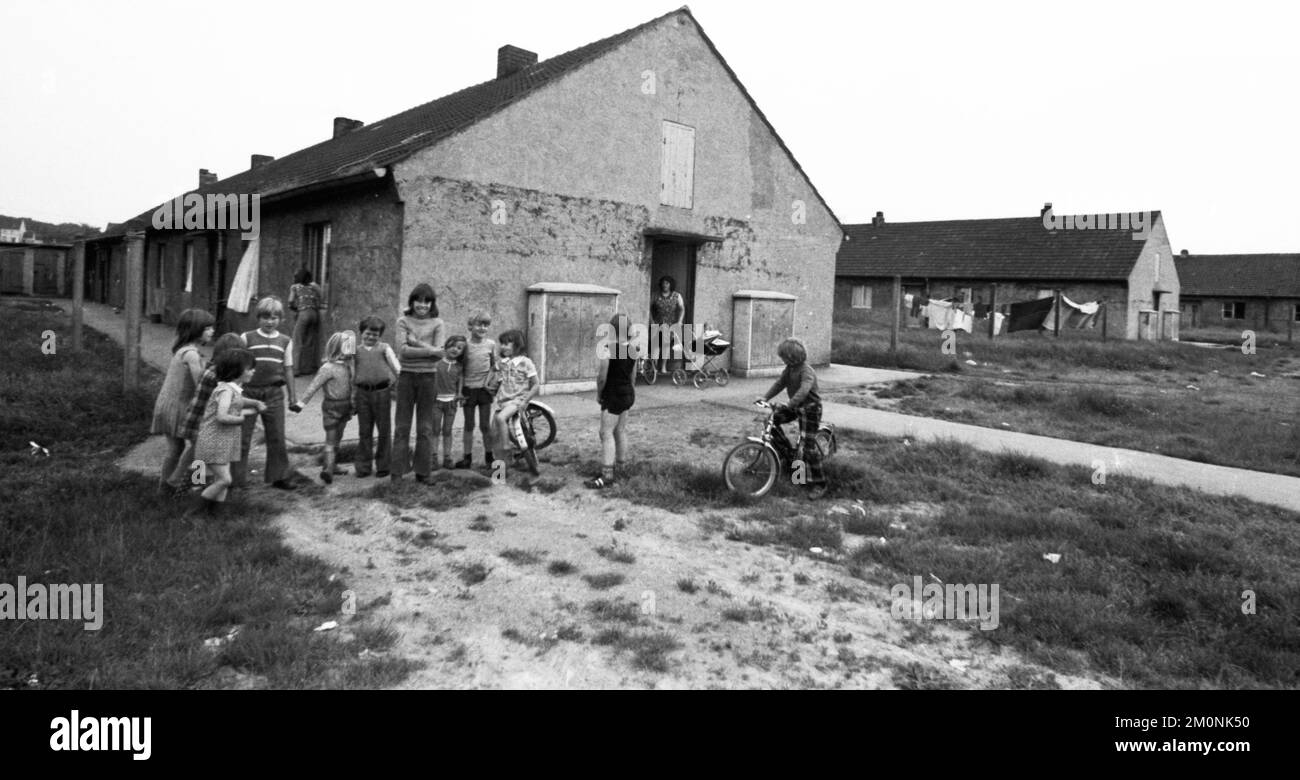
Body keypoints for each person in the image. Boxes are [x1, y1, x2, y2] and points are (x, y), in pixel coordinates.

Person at [175, 333, 265, 493]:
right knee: (199, 459)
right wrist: (246, 410)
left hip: (200, 419)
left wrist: (252, 403)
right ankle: (191, 487)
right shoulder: (218, 378)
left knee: (199, 457)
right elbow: (229, 401)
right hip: (202, 421)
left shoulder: (214, 371)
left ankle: (191, 485)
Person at [236, 296, 299, 490]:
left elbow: (288, 369)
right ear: (258, 318)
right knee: (242, 437)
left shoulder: (285, 341)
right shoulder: (247, 337)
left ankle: (278, 476)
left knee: (277, 436)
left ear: (280, 319)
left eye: (274, 318)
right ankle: (236, 479)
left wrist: (293, 396)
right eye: (265, 317)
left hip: (274, 393)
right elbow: (238, 365)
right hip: (249, 393)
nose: (269, 322)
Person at [151, 309, 214, 494]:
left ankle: (165, 488)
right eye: (208, 328)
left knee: (175, 448)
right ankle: (189, 482)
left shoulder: (183, 350)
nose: (212, 332)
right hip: (180, 407)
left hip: (168, 405)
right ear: (195, 330)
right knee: (202, 445)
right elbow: (201, 384)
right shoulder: (192, 354)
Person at [756, 337, 828, 499]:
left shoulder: (806, 371)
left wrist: (788, 404)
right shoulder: (789, 369)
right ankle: (789, 456)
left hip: (810, 409)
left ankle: (820, 484)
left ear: (792, 356)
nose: (782, 359)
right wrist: (765, 398)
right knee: (771, 421)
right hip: (795, 407)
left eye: (783, 357)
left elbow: (804, 390)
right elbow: (779, 384)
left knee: (807, 448)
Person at [191, 348, 259, 517]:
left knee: (220, 479)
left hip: (222, 442)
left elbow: (238, 402)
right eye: (249, 368)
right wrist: (241, 418)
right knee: (224, 480)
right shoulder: (226, 391)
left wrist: (255, 404)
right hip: (214, 442)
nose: (253, 371)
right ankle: (194, 512)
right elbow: (222, 416)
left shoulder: (231, 390)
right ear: (236, 371)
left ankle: (218, 514)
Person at [392, 284, 445, 482]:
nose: (422, 305)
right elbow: (402, 352)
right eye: (419, 301)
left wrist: (416, 343)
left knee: (425, 428)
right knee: (402, 427)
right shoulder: (402, 321)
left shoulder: (438, 323)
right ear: (412, 301)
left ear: (432, 304)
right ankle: (397, 471)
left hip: (428, 379)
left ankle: (423, 472)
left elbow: (439, 356)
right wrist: (430, 350)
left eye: (427, 301)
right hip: (406, 377)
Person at [292, 331, 356, 484]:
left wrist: (354, 404)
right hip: (331, 407)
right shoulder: (327, 368)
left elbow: (354, 386)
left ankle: (333, 465)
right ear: (336, 348)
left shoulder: (350, 367)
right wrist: (301, 403)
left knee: (338, 437)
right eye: (345, 347)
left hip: (345, 406)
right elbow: (314, 386)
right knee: (331, 438)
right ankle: (327, 468)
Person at [586, 313, 636, 489]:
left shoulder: (608, 349)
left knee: (605, 433)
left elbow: (602, 377)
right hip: (627, 393)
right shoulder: (632, 349)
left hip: (613, 394)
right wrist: (630, 392)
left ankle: (607, 475)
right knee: (620, 430)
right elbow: (633, 375)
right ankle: (622, 468)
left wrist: (599, 394)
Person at [353, 316, 401, 478]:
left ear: (380, 335)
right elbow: (350, 371)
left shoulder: (384, 348)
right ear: (361, 333)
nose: (371, 337)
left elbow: (397, 368)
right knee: (364, 431)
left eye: (375, 334)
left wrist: (396, 385)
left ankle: (384, 465)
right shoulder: (355, 351)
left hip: (382, 393)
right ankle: (363, 466)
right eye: (368, 333)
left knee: (384, 430)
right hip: (362, 394)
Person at [491, 329, 540, 477]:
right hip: (502, 401)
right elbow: (494, 373)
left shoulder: (526, 363)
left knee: (501, 419)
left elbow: (536, 384)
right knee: (494, 434)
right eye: (502, 344)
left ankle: (507, 447)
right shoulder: (503, 363)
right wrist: (490, 382)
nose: (504, 347)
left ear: (517, 345)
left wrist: (526, 400)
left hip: (517, 400)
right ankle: (500, 471)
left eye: (507, 344)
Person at [455, 312, 496, 470]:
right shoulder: (465, 345)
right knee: (468, 424)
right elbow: (460, 370)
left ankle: (489, 456)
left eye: (486, 325)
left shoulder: (491, 344)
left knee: (485, 425)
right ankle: (467, 458)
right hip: (468, 390)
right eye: (479, 324)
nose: (482, 328)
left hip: (484, 390)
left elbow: (494, 366)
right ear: (470, 326)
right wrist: (459, 391)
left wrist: (490, 383)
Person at [432, 335, 466, 470]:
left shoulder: (459, 367)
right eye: (452, 346)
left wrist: (459, 393)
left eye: (459, 348)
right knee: (435, 430)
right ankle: (433, 457)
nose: (455, 349)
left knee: (447, 430)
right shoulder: (437, 363)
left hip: (451, 402)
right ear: (446, 346)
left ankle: (447, 457)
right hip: (436, 402)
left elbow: (460, 381)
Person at [288, 268, 325, 376]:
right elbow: (322, 296)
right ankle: (307, 368)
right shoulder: (314, 286)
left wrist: (294, 308)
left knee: (297, 341)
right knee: (309, 342)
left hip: (303, 314)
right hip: (315, 314)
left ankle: (295, 369)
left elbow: (290, 301)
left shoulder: (295, 287)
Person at [650, 275, 685, 373]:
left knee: (666, 345)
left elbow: (682, 308)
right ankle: (654, 367)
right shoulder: (655, 295)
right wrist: (651, 320)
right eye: (663, 283)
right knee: (655, 345)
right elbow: (647, 307)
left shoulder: (676, 296)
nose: (665, 285)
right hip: (657, 323)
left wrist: (679, 321)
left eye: (667, 283)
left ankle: (663, 367)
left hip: (670, 324)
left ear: (670, 285)